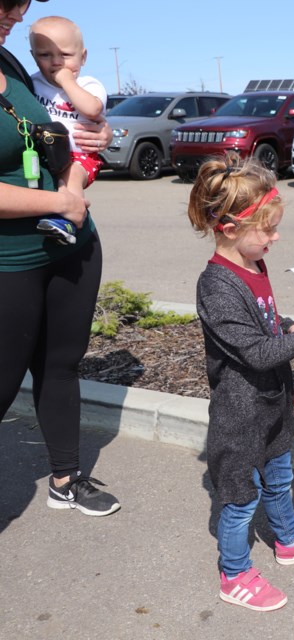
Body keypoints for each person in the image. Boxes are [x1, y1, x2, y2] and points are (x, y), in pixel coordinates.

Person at [188, 156, 294, 612]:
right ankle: (234, 573)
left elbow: (263, 325)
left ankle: (289, 541)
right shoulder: (216, 285)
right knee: (239, 499)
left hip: (272, 404)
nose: (275, 237)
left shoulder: (253, 264)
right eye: (268, 228)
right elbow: (255, 353)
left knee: (279, 479)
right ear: (231, 228)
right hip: (240, 416)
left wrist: (291, 326)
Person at [1, 0, 117, 517]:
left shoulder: (8, 67)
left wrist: (99, 137)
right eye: (7, 3)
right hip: (10, 260)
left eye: (20, 4)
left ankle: (66, 478)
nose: (16, 14)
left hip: (72, 244)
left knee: (61, 366)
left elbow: (60, 134)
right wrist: (57, 202)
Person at [28, 14, 106, 245]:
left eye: (65, 55)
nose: (56, 62)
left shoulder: (88, 84)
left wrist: (67, 82)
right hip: (47, 154)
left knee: (70, 179)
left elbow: (92, 109)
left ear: (83, 57)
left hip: (81, 155)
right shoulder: (32, 84)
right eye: (45, 55)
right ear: (33, 57)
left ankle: (68, 222)